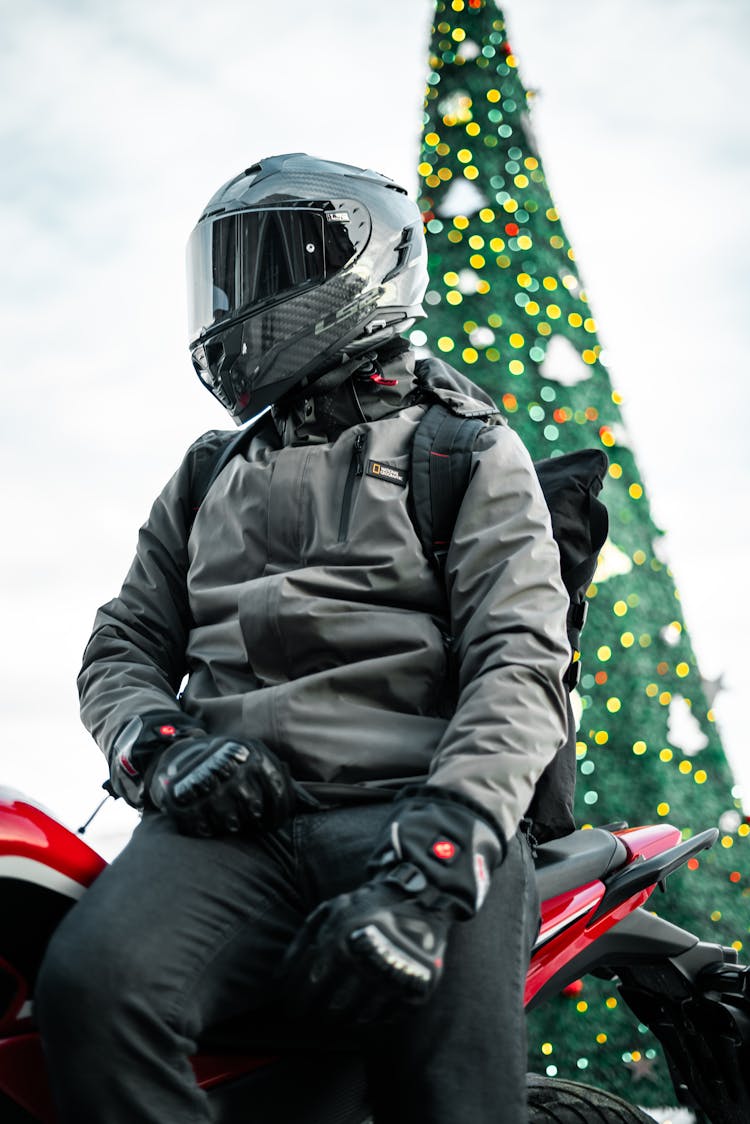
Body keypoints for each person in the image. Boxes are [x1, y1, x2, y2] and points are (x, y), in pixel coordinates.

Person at [35, 153, 571, 1123]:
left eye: (275, 265)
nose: (242, 299)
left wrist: (434, 868)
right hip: (229, 831)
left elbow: (521, 664)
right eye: (231, 272)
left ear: (361, 270)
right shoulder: (206, 473)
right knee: (89, 990)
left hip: (415, 812)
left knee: (453, 1095)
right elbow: (118, 649)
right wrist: (162, 748)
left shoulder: (463, 446)